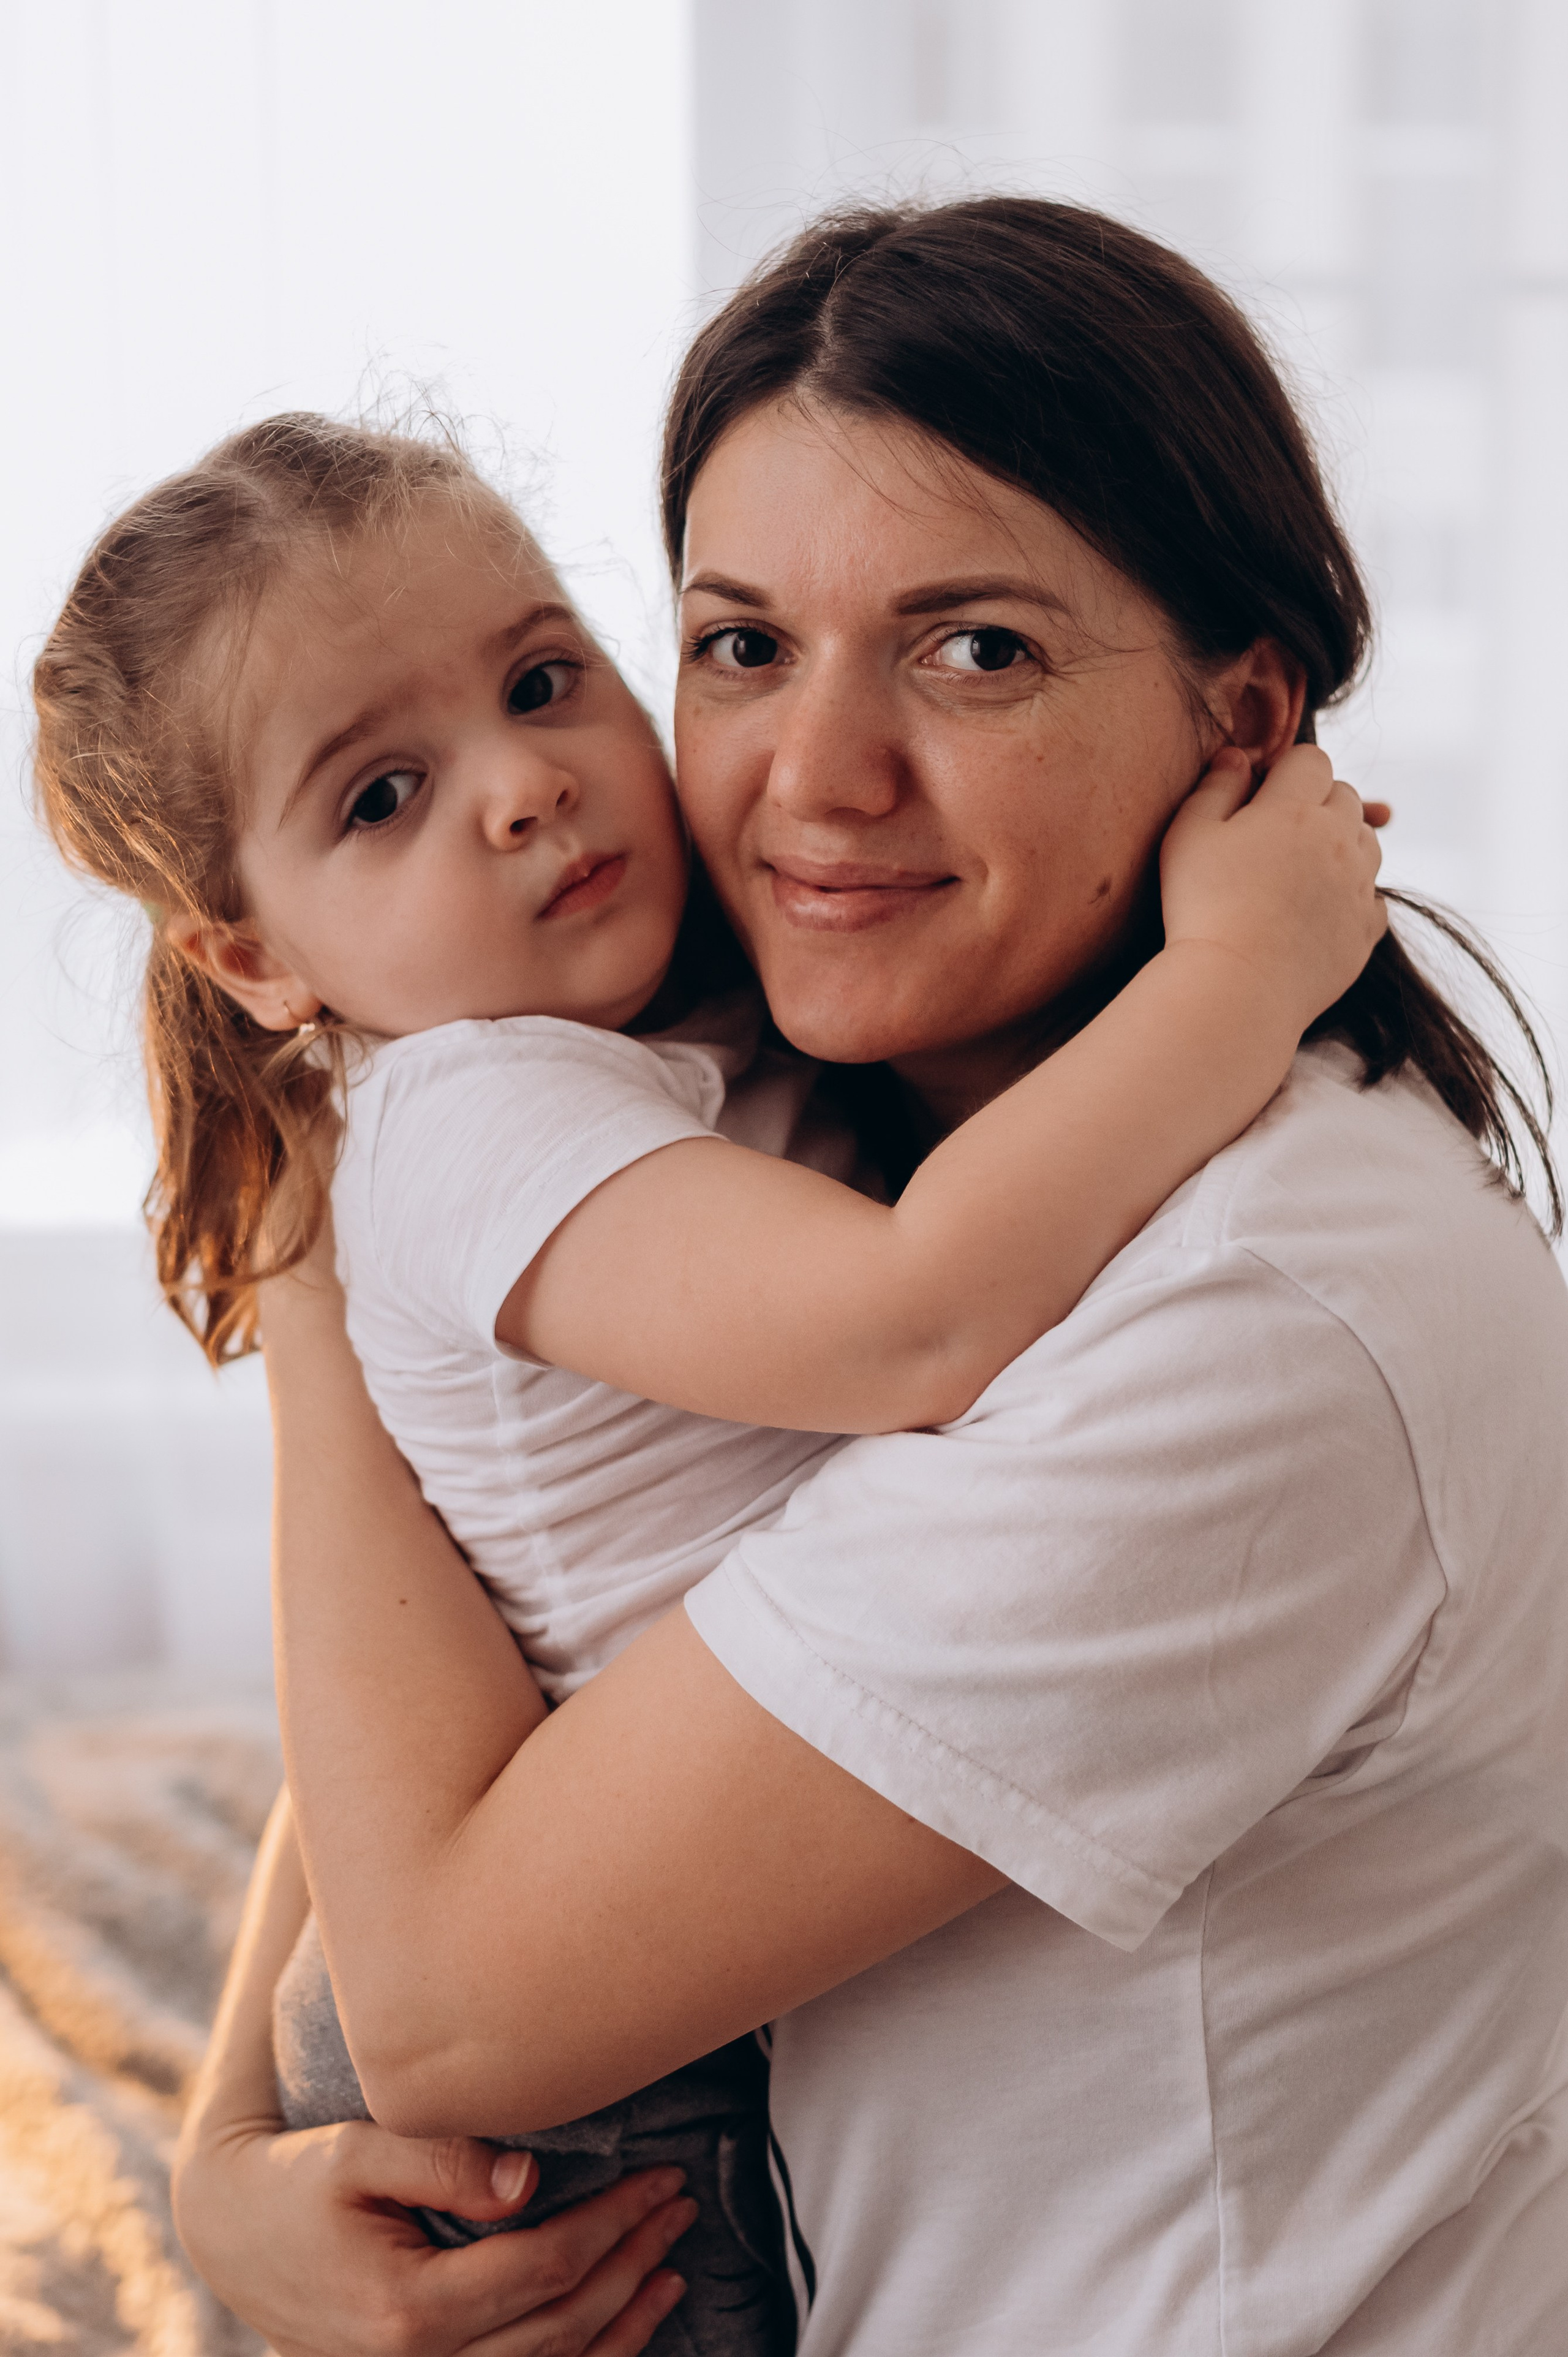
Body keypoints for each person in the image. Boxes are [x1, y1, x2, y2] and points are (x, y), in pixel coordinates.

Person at [181, 198, 1565, 2356]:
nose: (816, 782)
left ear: (1245, 720)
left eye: (975, 649)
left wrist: (319, 1276)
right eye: (740, 647)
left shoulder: (1257, 1317)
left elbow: (453, 2013)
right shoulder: (800, 1089)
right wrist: (221, 2157)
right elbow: (508, 1633)